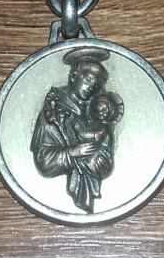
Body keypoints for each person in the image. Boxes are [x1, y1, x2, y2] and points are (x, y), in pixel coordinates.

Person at [31, 47, 119, 213]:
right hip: (54, 200)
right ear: (73, 77)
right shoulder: (54, 110)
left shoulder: (97, 111)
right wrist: (73, 152)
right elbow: (44, 162)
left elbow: (105, 152)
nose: (91, 87)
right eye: (88, 80)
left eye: (96, 85)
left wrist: (103, 163)